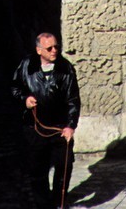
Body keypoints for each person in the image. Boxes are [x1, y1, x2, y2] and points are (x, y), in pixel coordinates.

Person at [12, 30, 80, 209]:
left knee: (63, 166)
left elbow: (73, 101)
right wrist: (24, 99)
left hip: (59, 127)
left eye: (56, 46)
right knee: (37, 169)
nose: (54, 50)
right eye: (49, 48)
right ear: (39, 50)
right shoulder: (27, 66)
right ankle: (43, 203)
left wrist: (70, 126)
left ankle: (59, 200)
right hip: (34, 127)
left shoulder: (66, 69)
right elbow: (15, 88)